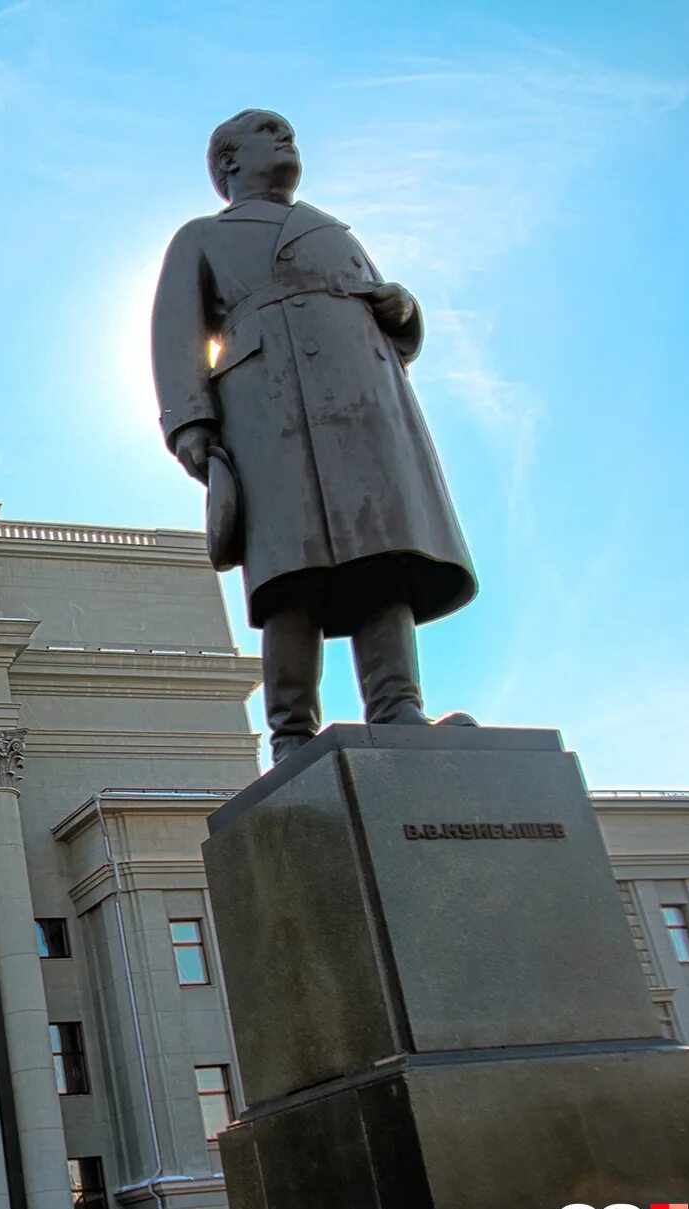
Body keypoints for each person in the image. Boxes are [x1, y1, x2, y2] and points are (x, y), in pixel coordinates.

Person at [152, 108, 478, 761]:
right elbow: (175, 333)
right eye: (269, 133)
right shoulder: (202, 237)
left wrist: (403, 307)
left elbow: (387, 318)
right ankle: (293, 733)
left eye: (291, 133)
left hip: (361, 407)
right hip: (269, 410)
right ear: (229, 163)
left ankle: (397, 705)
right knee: (288, 571)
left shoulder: (330, 230)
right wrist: (191, 421)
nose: (287, 140)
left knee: (383, 555)